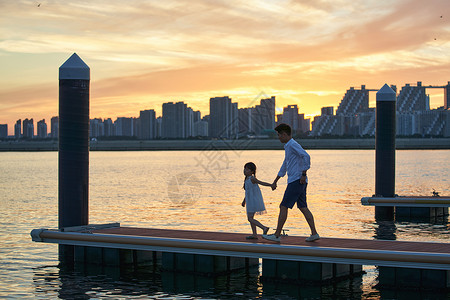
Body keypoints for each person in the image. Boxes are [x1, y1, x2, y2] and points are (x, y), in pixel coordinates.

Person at [262, 123, 320, 243]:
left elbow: (306, 156)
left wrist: (303, 174)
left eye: (279, 135)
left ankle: (277, 235)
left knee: (283, 206)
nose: (278, 137)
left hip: (296, 181)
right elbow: (285, 165)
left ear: (284, 134)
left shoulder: (292, 144)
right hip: (299, 181)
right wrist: (275, 181)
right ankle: (314, 233)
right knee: (303, 207)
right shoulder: (288, 146)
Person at [241, 162, 271, 239]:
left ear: (252, 171)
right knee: (251, 218)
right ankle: (254, 234)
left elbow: (261, 183)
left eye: (247, 169)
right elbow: (247, 191)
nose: (245, 171)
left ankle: (264, 228)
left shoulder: (252, 178)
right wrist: (244, 201)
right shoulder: (246, 179)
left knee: (250, 218)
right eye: (244, 169)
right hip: (249, 200)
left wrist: (271, 185)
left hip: (253, 200)